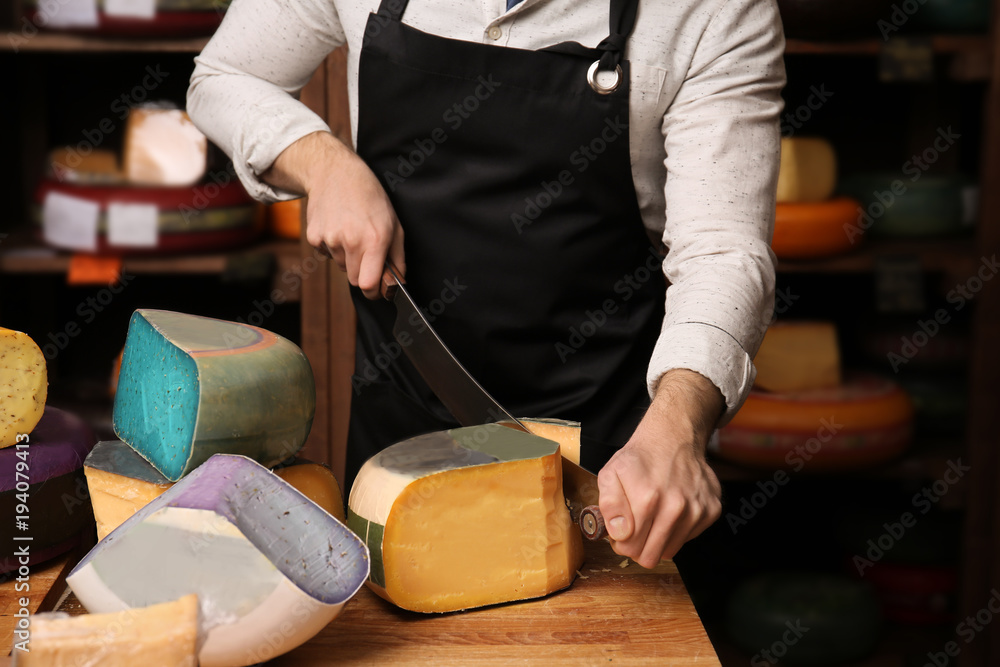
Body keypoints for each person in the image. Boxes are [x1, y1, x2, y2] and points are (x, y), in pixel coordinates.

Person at [188, 0, 785, 569]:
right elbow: (225, 74)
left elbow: (724, 251)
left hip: (612, 465)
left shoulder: (714, 11)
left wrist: (678, 425)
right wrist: (322, 163)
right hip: (399, 438)